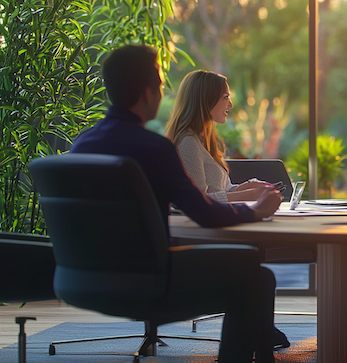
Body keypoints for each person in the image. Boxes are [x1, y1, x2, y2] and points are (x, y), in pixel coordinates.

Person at [70, 44, 284, 363]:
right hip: (148, 280)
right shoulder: (155, 148)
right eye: (158, 83)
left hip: (82, 280)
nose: (162, 91)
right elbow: (203, 212)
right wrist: (254, 210)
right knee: (257, 275)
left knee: (247, 267)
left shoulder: (81, 146)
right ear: (146, 92)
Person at [165, 70, 271, 203]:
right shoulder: (188, 142)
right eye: (225, 97)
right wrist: (249, 195)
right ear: (205, 100)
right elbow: (196, 200)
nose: (230, 105)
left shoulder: (202, 140)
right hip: (200, 223)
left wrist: (240, 189)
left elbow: (217, 192)